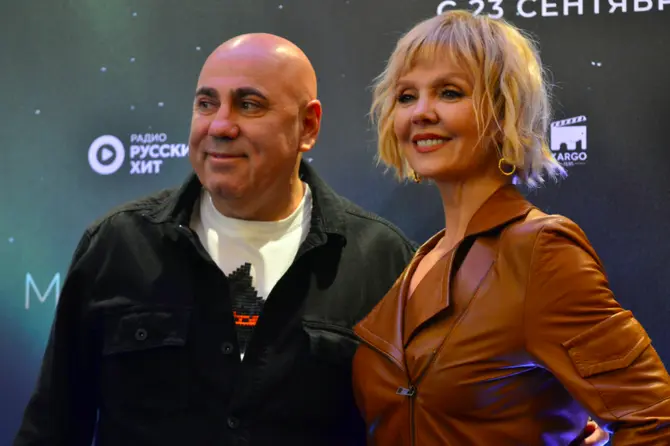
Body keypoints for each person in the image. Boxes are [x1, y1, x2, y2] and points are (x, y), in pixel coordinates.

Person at [13, 32, 607, 446]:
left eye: (249, 105)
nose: (220, 125)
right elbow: (52, 427)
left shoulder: (383, 259)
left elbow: (419, 421)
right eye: (206, 103)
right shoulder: (116, 244)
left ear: (308, 126)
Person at [351, 9, 670, 445]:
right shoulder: (422, 258)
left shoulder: (540, 250)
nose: (421, 112)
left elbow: (655, 421)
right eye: (407, 96)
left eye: (449, 92)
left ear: (505, 111)